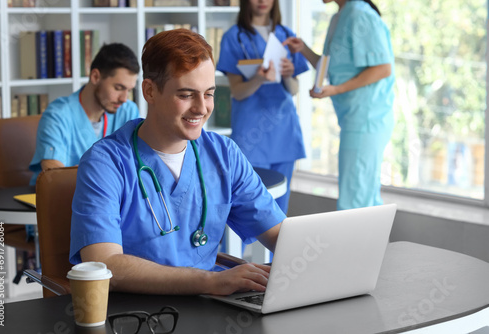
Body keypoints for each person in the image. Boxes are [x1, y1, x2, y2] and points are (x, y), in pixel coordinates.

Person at [69, 29, 285, 295]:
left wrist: (327, 253)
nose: (201, 108)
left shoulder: (224, 154)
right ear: (149, 91)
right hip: (136, 315)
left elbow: (280, 235)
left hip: (210, 308)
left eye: (208, 93)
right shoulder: (105, 163)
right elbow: (105, 262)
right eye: (186, 95)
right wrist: (211, 282)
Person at [283, 0, 394, 210]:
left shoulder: (360, 15)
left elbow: (383, 68)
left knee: (355, 203)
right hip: (355, 119)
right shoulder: (340, 16)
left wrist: (336, 89)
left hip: (367, 119)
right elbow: (329, 66)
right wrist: (304, 49)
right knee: (361, 198)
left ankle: (362, 243)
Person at [216, 0, 309, 214]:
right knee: (251, 209)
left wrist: (287, 74)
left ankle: (278, 250)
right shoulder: (233, 36)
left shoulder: (286, 35)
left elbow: (293, 89)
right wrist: (259, 77)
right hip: (252, 134)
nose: (262, 1)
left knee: (280, 212)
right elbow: (237, 91)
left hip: (284, 131)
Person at [29, 43, 140, 186]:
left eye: (129, 90)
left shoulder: (128, 110)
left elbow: (138, 164)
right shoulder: (58, 115)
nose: (124, 98)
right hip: (60, 201)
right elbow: (54, 175)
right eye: (118, 88)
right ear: (95, 76)